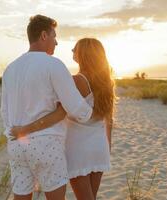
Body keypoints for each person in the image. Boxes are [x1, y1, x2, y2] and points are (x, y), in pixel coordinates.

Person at [0, 15, 95, 200]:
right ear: (44, 35)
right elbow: (75, 108)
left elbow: (4, 111)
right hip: (46, 144)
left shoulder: (10, 68)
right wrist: (89, 111)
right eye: (54, 36)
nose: (57, 42)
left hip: (16, 143)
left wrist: (14, 133)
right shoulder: (53, 65)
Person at [11, 38, 115, 200]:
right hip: (99, 146)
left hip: (79, 149)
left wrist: (25, 130)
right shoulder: (106, 83)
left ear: (83, 54)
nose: (72, 51)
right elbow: (109, 121)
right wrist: (107, 148)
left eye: (75, 49)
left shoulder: (77, 80)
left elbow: (60, 114)